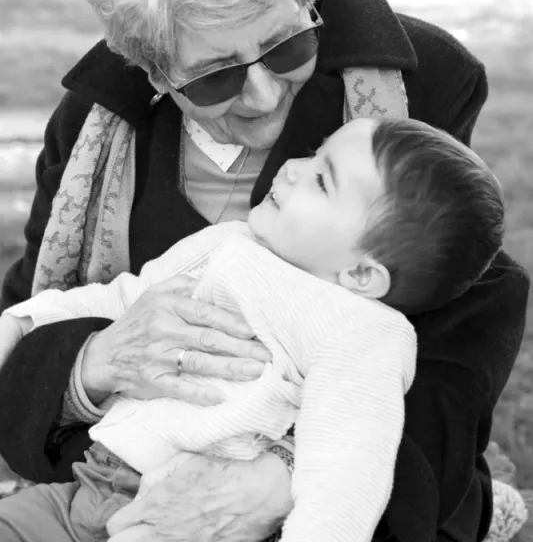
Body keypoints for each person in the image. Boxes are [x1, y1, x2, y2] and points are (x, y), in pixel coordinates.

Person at [0, 0, 529, 542]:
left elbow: (444, 330)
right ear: (153, 72)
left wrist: (282, 478)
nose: (258, 94)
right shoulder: (99, 124)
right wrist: (93, 362)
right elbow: (33, 313)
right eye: (214, 76)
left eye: (286, 47)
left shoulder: (410, 84)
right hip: (110, 474)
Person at [0, 116, 505, 542]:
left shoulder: (361, 330)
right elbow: (126, 299)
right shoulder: (227, 244)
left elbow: (346, 469)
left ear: (360, 274)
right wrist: (24, 321)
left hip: (183, 510)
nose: (291, 169)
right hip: (92, 480)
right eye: (312, 154)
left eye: (322, 181)